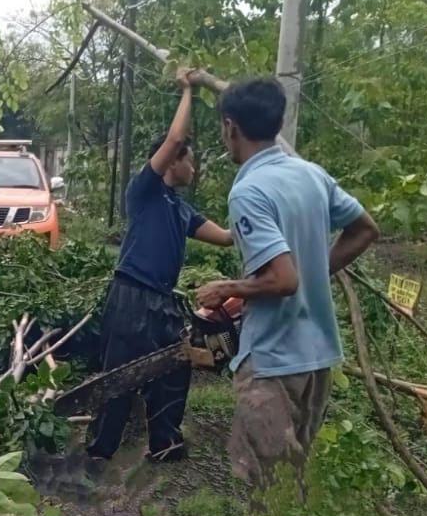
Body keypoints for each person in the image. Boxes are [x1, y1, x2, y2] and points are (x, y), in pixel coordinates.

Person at [196, 78, 379, 487]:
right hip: (317, 358)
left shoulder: (249, 190)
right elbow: (365, 229)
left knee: (261, 488)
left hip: (274, 361)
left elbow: (282, 280)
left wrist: (227, 289)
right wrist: (317, 270)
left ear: (230, 127)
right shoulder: (312, 175)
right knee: (291, 479)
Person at [87, 68, 234, 463]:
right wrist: (188, 90)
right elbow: (175, 138)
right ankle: (101, 451)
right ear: (173, 163)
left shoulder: (181, 210)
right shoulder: (145, 191)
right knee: (119, 375)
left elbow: (225, 236)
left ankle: (165, 442)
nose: (194, 168)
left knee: (175, 367)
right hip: (131, 294)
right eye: (190, 161)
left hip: (164, 302)